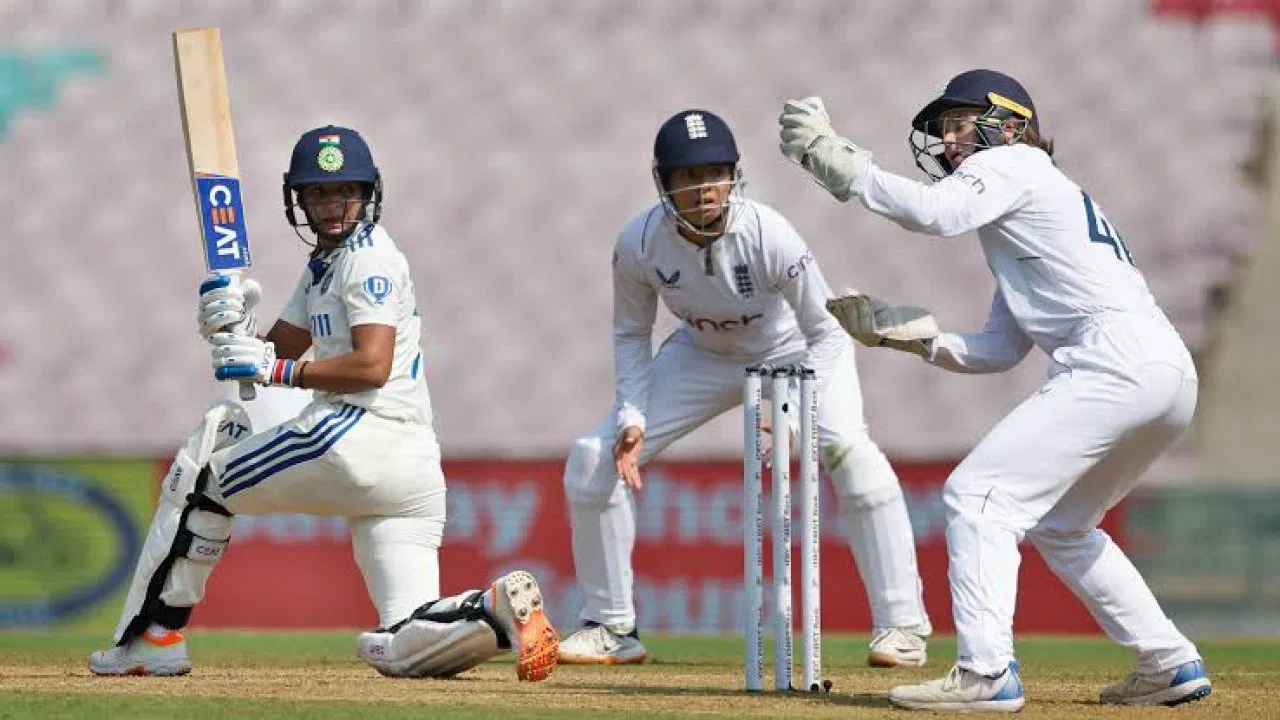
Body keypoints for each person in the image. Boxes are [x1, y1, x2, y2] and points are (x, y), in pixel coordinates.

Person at [778, 70, 1212, 712]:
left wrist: (837, 157)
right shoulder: (1023, 215)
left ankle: (985, 673)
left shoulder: (1015, 163)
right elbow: (1000, 349)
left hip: (1114, 362)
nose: (948, 142)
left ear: (1009, 124)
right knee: (1064, 525)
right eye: (945, 129)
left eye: (958, 125)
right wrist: (913, 336)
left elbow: (933, 213)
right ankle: (1168, 661)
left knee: (978, 496)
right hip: (1164, 374)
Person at [88, 125, 558, 683]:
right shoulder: (324, 266)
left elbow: (369, 365)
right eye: (317, 194)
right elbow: (269, 357)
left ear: (368, 194)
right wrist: (229, 328)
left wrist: (273, 367)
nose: (331, 206)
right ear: (300, 201)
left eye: (343, 192)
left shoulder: (369, 261)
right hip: (412, 474)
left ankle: (151, 638)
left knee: (202, 479)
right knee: (400, 644)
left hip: (357, 434)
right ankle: (494, 609)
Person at [557, 109, 931, 666]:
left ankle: (902, 626)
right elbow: (631, 334)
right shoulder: (639, 243)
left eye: (716, 172)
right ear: (665, 183)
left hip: (793, 350)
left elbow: (827, 333)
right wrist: (632, 417)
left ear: (734, 175)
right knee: (592, 460)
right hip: (702, 355)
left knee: (850, 455)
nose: (705, 188)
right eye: (689, 177)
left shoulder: (768, 231)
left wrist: (786, 404)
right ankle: (612, 626)